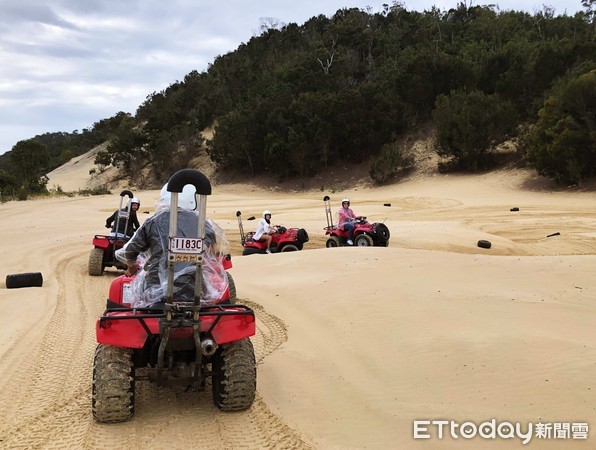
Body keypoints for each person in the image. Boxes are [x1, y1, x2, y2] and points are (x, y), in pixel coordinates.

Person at [115, 184, 229, 308]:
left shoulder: (153, 221)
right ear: (193, 199)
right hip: (195, 290)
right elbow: (213, 254)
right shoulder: (202, 223)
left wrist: (131, 268)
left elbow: (131, 250)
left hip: (155, 290)